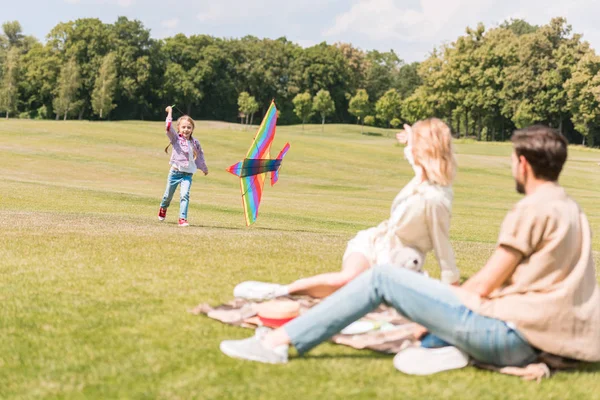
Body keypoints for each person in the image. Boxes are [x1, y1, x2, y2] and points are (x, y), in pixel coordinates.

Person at [220, 125, 600, 375]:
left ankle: (276, 344)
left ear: (523, 164)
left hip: (510, 338)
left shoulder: (531, 208)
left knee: (384, 278)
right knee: (420, 304)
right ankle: (446, 344)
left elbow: (483, 285)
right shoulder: (572, 209)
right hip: (542, 339)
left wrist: (431, 303)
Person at [233, 119, 460, 300]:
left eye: (414, 146)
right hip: (373, 242)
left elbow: (443, 248)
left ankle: (288, 293)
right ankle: (279, 292)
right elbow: (413, 158)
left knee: (356, 294)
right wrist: (412, 137)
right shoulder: (421, 174)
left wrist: (455, 289)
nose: (409, 151)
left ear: (425, 150)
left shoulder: (435, 199)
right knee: (346, 280)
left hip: (399, 260)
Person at [157, 106, 208, 227]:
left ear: (192, 129)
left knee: (185, 195)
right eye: (183, 127)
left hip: (188, 174)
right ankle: (163, 207)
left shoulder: (195, 142)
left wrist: (204, 168)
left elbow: (200, 155)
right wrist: (170, 112)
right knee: (167, 196)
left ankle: (182, 219)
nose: (186, 130)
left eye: (189, 127)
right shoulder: (175, 139)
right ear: (179, 128)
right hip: (175, 173)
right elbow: (168, 127)